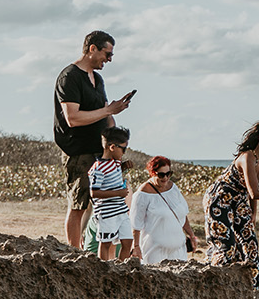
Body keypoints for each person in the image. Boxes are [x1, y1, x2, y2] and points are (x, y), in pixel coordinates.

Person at [55, 30, 133, 248]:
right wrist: (108, 110)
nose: (109, 60)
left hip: (101, 150)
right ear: (92, 49)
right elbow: (72, 118)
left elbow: (105, 114)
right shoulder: (69, 77)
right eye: (107, 54)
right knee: (78, 203)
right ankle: (73, 252)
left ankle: (98, 250)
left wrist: (117, 143)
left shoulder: (97, 79)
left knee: (102, 202)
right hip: (78, 150)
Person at [202, 121, 259, 285]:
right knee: (227, 246)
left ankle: (254, 288)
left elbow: (251, 192)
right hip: (220, 198)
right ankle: (212, 279)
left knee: (250, 244)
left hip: (239, 200)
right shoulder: (248, 157)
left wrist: (253, 214)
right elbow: (254, 192)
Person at [129, 155, 196, 266]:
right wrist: (136, 247)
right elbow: (135, 225)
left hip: (179, 250)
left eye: (168, 174)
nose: (165, 178)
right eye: (161, 175)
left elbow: (182, 215)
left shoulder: (173, 188)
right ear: (152, 173)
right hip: (155, 251)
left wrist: (191, 236)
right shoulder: (142, 194)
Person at [88, 128, 133, 260]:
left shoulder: (116, 163)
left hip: (121, 210)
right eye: (123, 149)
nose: (124, 152)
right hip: (106, 212)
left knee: (127, 242)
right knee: (105, 242)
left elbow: (114, 174)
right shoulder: (97, 168)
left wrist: (124, 167)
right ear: (112, 147)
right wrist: (118, 193)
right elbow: (93, 192)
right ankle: (103, 268)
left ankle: (122, 267)